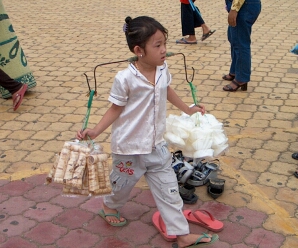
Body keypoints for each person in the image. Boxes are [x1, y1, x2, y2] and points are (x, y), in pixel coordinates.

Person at [76, 16, 219, 247]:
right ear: (138, 50)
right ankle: (109, 206)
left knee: (170, 191)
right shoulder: (124, 79)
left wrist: (188, 109)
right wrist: (95, 130)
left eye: (165, 43)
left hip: (156, 146)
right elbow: (115, 109)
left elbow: (167, 90)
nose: (164, 50)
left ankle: (182, 236)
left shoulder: (163, 69)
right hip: (129, 149)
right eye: (158, 45)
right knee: (120, 186)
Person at [223, 0, 261, 92]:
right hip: (242, 5)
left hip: (243, 6)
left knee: (240, 42)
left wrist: (234, 9)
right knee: (233, 37)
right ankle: (235, 71)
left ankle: (241, 78)